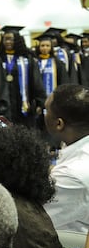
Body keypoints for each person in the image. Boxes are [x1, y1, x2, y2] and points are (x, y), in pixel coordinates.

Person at [43, 84, 89, 234]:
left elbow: (35, 218)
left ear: (59, 124)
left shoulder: (72, 175)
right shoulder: (77, 145)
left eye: (46, 111)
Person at [0, 26, 46, 129]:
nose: (8, 42)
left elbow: (36, 82)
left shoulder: (27, 59)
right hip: (4, 106)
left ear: (17, 40)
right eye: (5, 39)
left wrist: (40, 103)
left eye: (11, 39)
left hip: (23, 105)